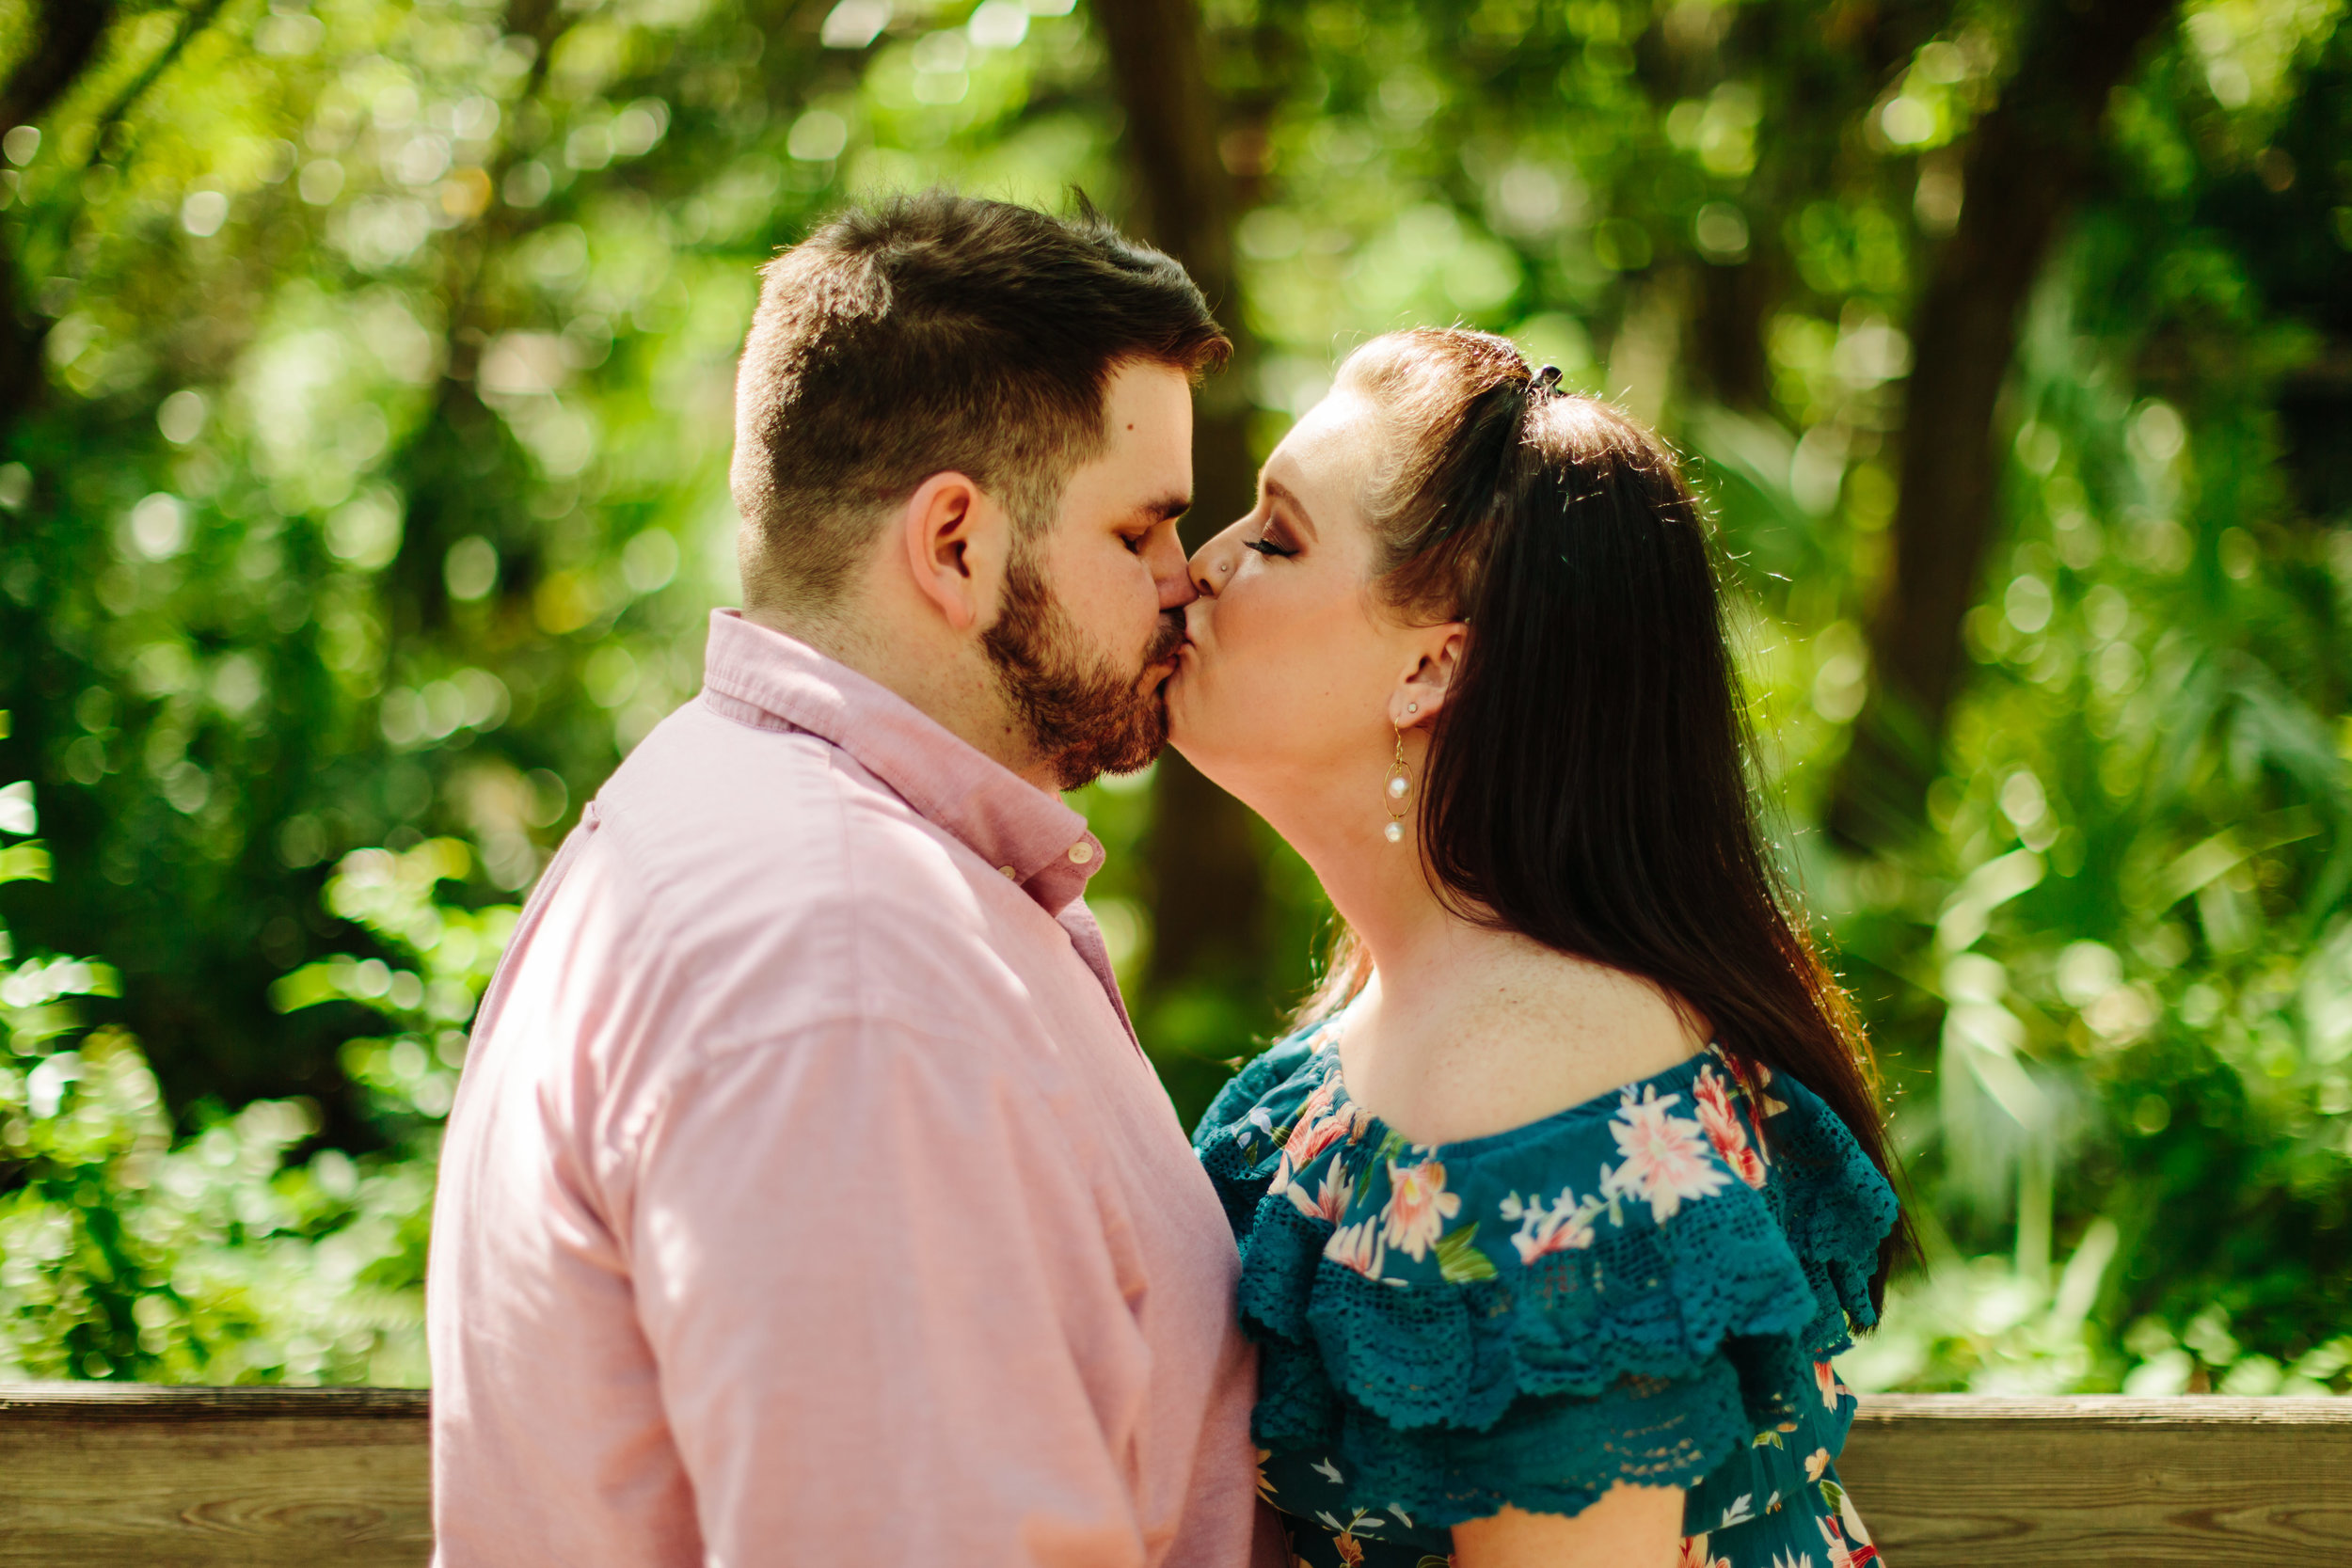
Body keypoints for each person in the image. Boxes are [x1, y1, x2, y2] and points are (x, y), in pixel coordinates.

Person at [425, 193, 1283, 1568]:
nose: (1188, 582)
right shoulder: (845, 967)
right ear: (956, 545)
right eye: (1139, 534)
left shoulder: (747, 836)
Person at [1170, 328, 1904, 1568]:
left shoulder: (1538, 1086)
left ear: (1432, 664)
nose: (1201, 566)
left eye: (1275, 539)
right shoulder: (1394, 1023)